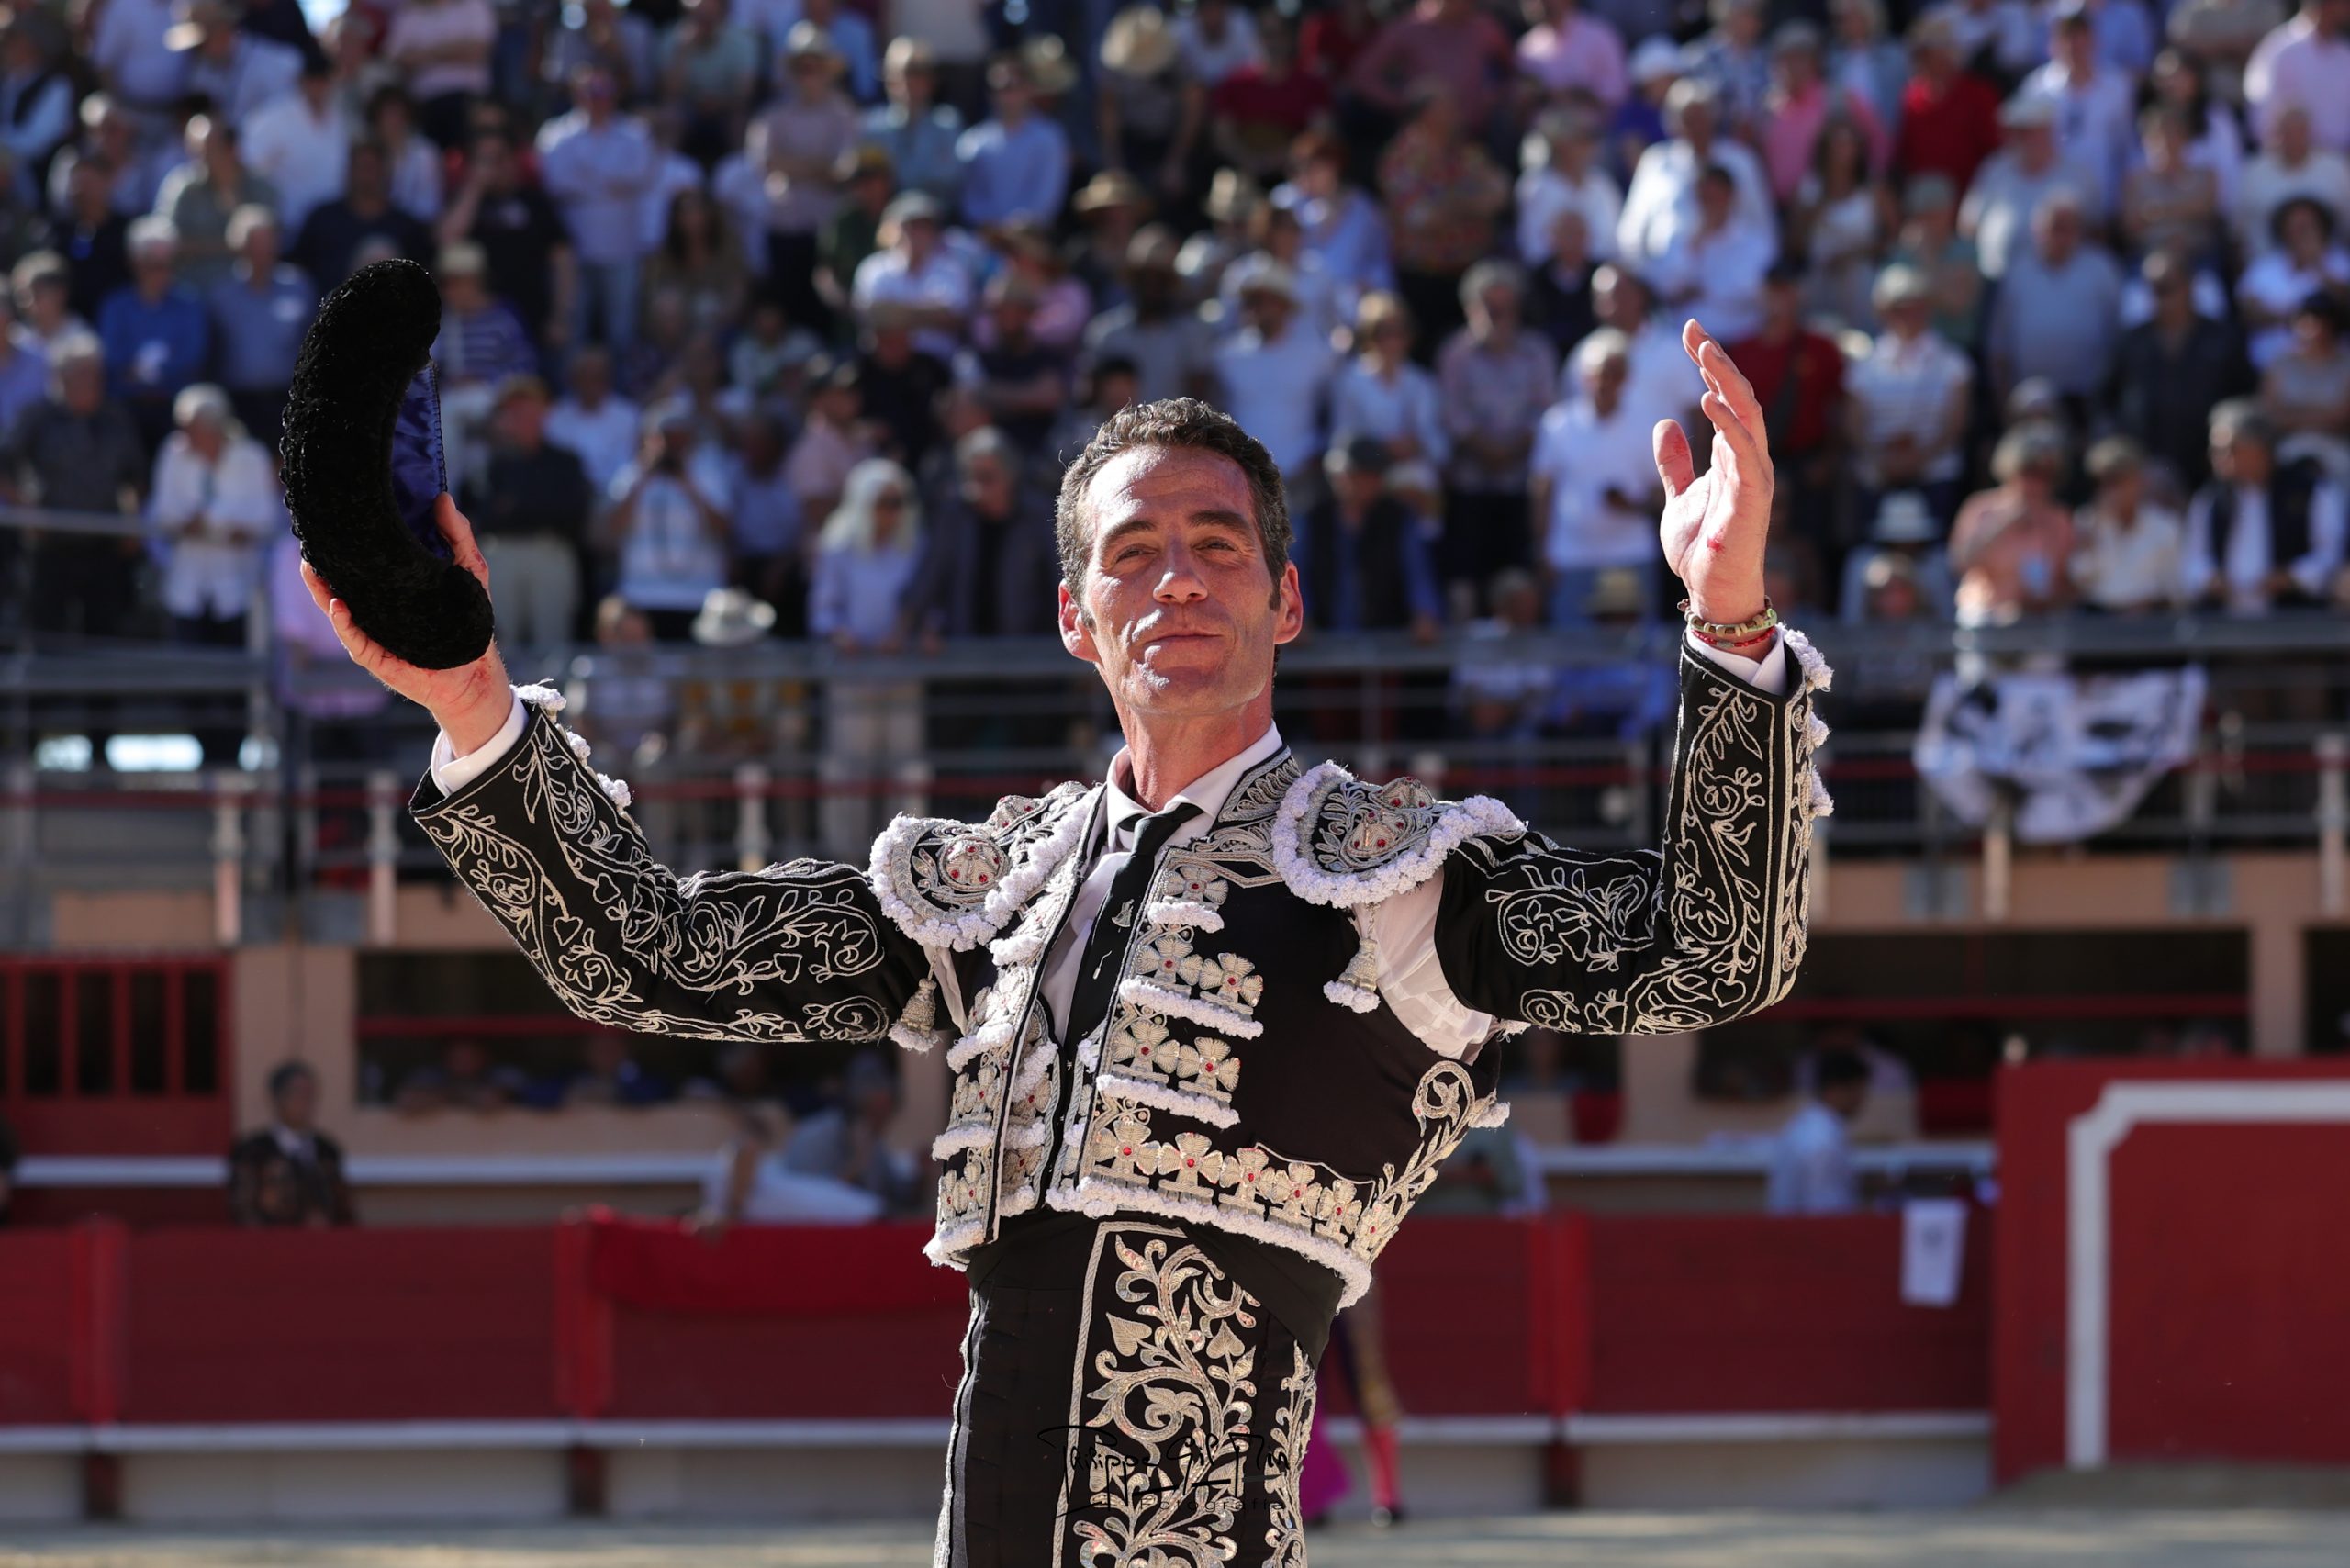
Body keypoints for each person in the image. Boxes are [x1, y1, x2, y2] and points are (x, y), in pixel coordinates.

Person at [307, 318, 1827, 1567]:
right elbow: (654, 956)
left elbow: (1710, 947)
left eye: (1220, 546)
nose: (1177, 577)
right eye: (1135, 551)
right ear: (1072, 618)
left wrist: (1733, 625)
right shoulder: (991, 887)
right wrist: (472, 709)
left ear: (1287, 598)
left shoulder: (1402, 875)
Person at [811, 457, 925, 851]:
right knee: (849, 775)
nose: (892, 512)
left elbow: (928, 604)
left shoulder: (914, 545)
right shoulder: (838, 546)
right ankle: (847, 859)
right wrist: (843, 636)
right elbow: (823, 611)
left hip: (901, 673)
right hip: (853, 676)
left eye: (898, 502)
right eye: (883, 502)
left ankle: (905, 858)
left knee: (905, 772)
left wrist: (910, 633)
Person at [1532, 327, 1662, 624]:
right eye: (1599, 372)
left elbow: (1663, 494)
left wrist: (1633, 505)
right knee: (1573, 650)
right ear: (1584, 376)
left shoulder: (1647, 426)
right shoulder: (1558, 424)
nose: (1606, 381)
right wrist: (1542, 551)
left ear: (1627, 377)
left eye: (1615, 372)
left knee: (1636, 658)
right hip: (1570, 556)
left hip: (1631, 555)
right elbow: (1542, 490)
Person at [460, 375, 593, 654]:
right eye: (513, 411)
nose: (521, 418)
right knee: (499, 648)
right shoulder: (489, 462)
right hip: (499, 554)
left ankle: (556, 700)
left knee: (553, 645)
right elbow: (478, 515)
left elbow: (573, 513)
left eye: (529, 410)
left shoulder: (564, 461)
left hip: (550, 550)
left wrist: (515, 507)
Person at [2186, 398, 2348, 613]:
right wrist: (2210, 579)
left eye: (2230, 449)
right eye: (2215, 449)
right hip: (2223, 625)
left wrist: (2291, 577)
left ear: (2259, 448)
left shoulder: (2311, 491)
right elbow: (2193, 560)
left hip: (2297, 622)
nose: (2218, 457)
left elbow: (2331, 555)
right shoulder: (2211, 498)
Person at [605, 407, 734, 640]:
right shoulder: (632, 474)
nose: (673, 446)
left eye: (680, 438)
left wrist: (688, 484)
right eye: (666, 438)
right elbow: (612, 527)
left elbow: (723, 528)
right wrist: (645, 475)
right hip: (642, 596)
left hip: (698, 596)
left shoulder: (708, 472)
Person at [782, 1048, 923, 1215]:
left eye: (887, 1112)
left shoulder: (874, 1143)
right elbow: (815, 1203)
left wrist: (923, 1177)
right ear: (859, 1105)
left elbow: (895, 1194)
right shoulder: (815, 1137)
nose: (884, 1121)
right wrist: (856, 1163)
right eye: (876, 1111)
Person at [228, 1061, 355, 1226]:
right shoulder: (252, 1151)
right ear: (277, 1098)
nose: (306, 1102)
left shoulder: (327, 1149)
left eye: (310, 1095)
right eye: (298, 1093)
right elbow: (243, 1210)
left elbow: (343, 1209)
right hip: (272, 1246)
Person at [2071, 437, 2188, 613]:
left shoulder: (2165, 526)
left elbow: (2176, 588)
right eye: (2105, 482)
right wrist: (2090, 542)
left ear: (2139, 481)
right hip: (2098, 623)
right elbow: (2080, 581)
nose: (2112, 490)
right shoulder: (2086, 522)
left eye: (2119, 480)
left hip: (2153, 623)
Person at [1765, 1047, 1867, 1214]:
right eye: (1858, 1090)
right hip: (1807, 1235)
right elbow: (1824, 1213)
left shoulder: (1806, 1125)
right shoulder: (1821, 1140)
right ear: (1835, 1089)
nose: (1861, 1099)